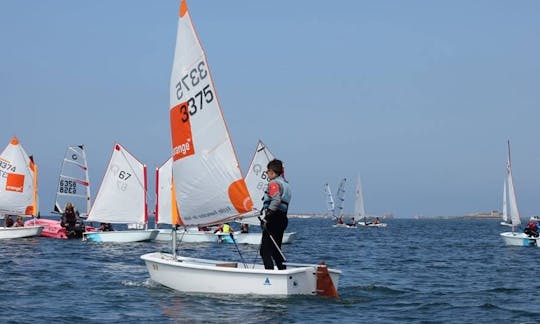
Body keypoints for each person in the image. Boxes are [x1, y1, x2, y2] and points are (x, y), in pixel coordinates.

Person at [260, 159, 291, 270]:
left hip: (274, 218)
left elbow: (276, 200)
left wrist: (267, 216)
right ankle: (282, 273)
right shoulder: (286, 184)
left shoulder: (273, 183)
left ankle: (270, 276)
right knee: (276, 250)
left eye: (267, 172)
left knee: (264, 251)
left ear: (272, 172)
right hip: (282, 218)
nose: (267, 174)